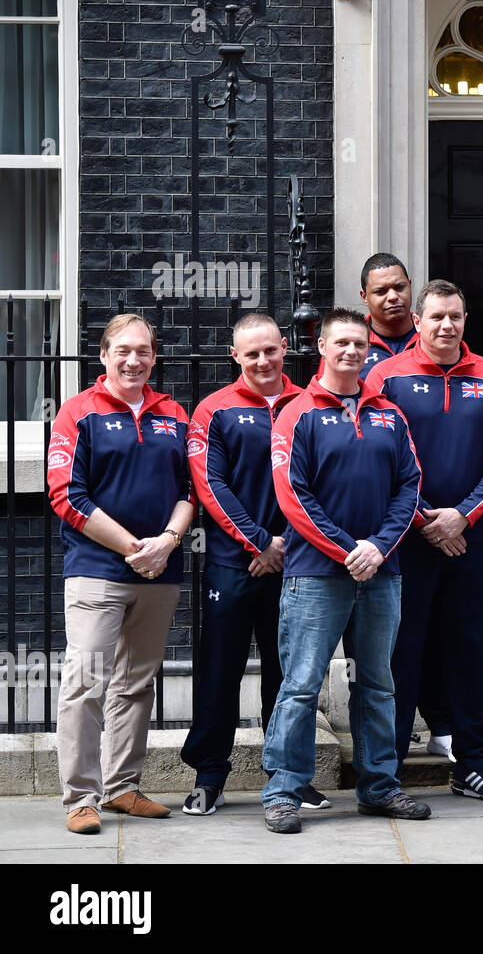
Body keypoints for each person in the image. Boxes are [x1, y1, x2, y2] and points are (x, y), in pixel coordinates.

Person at [262, 308, 427, 833]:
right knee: (301, 685)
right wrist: (346, 549)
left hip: (383, 570)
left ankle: (379, 786)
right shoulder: (297, 412)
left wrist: (377, 548)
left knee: (378, 683)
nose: (353, 352)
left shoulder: (390, 414)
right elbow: (292, 494)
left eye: (361, 344)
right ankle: (284, 789)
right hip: (315, 574)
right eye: (342, 343)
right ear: (322, 348)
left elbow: (410, 485)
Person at [367, 280, 483, 802]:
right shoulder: (386, 376)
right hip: (405, 541)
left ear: (465, 318)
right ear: (418, 319)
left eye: (455, 316)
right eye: (436, 317)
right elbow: (379, 457)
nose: (446, 326)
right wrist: (422, 520)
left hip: (469, 540)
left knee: (469, 652)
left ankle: (474, 764)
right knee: (400, 655)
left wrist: (462, 517)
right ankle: (385, 774)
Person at [182, 314, 337, 814]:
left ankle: (287, 777)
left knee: (289, 674)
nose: (263, 361)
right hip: (233, 563)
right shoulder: (214, 409)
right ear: (235, 356)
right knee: (219, 672)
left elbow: (323, 482)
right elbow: (211, 484)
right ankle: (209, 776)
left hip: (297, 560)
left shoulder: (311, 402)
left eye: (270, 350)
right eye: (251, 354)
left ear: (285, 347)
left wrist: (287, 544)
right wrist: (257, 543)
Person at [48, 314, 195, 834]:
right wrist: (136, 547)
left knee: (136, 684)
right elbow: (66, 495)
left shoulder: (174, 414)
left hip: (160, 569)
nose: (134, 360)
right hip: (97, 571)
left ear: (154, 357)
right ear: (104, 356)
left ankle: (122, 788)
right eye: (123, 351)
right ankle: (80, 797)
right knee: (86, 683)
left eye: (144, 352)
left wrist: (168, 542)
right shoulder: (76, 412)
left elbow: (190, 491)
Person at [316, 252, 418, 381]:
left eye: (399, 287)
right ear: (364, 297)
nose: (393, 297)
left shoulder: (433, 336)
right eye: (381, 291)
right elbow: (326, 395)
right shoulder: (343, 345)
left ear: (410, 286)